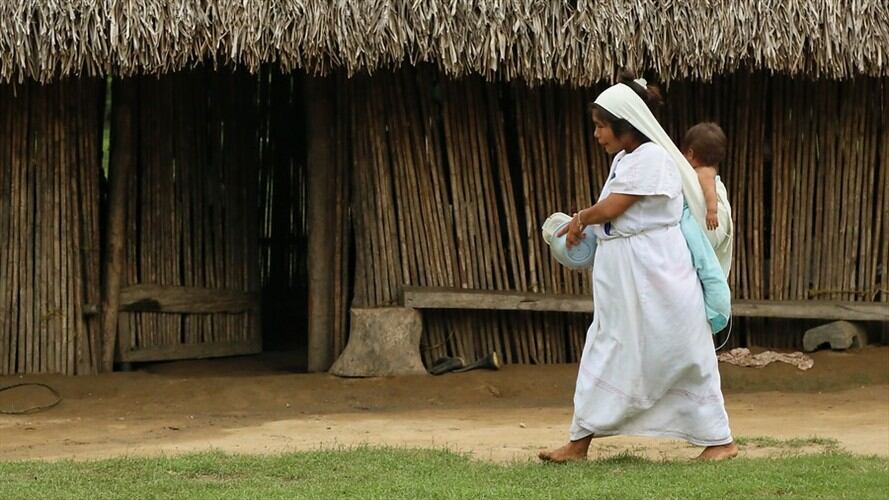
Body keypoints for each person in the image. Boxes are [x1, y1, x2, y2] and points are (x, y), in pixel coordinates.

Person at [538, 73, 738, 463]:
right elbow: (612, 218)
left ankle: (720, 440)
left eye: (600, 126)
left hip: (658, 277)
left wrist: (581, 219)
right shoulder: (625, 159)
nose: (596, 134)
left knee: (683, 352)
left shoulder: (654, 159)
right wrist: (584, 230)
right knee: (608, 347)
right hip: (627, 279)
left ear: (625, 124)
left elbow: (614, 208)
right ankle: (580, 441)